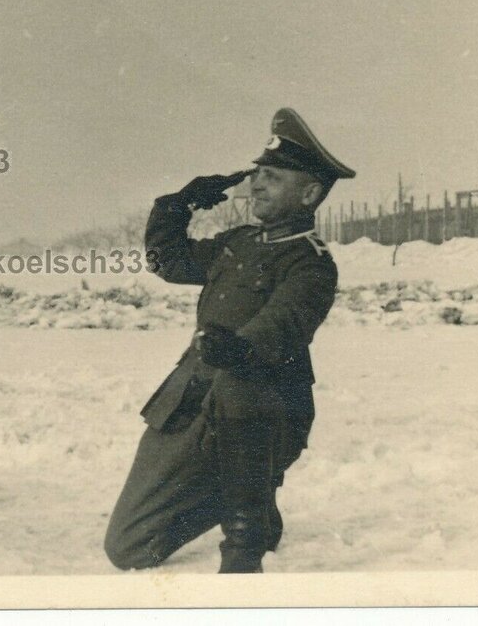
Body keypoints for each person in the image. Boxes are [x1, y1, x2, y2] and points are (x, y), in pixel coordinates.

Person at [103, 107, 355, 574]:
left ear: (309, 193)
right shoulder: (238, 242)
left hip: (262, 410)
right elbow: (167, 262)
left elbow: (282, 324)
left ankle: (245, 534)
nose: (256, 184)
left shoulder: (312, 263)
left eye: (272, 177)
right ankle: (247, 495)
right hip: (194, 400)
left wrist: (239, 347)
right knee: (127, 548)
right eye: (257, 174)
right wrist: (177, 206)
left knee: (242, 384)